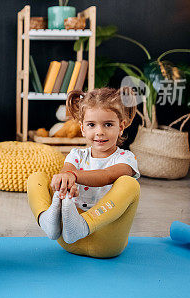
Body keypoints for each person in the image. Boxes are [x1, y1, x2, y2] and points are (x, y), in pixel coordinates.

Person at [27, 87, 141, 258]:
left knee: (130, 184)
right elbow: (67, 172)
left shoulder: (126, 158)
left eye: (108, 124)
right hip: (69, 237)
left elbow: (107, 175)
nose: (99, 131)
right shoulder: (76, 155)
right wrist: (65, 187)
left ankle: (85, 224)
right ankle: (46, 219)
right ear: (82, 128)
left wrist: (74, 177)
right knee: (37, 177)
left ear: (121, 127)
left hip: (106, 243)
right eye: (91, 125)